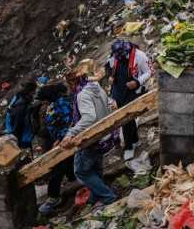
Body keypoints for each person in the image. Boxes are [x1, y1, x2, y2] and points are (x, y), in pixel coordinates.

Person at [61, 74, 116, 209]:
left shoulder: (82, 95)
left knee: (81, 171)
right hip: (104, 135)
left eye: (70, 86)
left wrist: (71, 133)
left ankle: (107, 196)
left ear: (73, 84)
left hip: (92, 139)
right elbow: (110, 103)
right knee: (96, 166)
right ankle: (95, 196)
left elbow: (89, 117)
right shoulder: (96, 87)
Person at [105, 39, 153, 161]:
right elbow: (108, 67)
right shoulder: (115, 56)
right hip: (119, 93)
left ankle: (128, 147)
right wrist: (109, 77)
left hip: (133, 92)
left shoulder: (139, 56)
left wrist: (137, 82)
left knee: (126, 119)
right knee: (127, 119)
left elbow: (149, 72)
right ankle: (135, 141)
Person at [35, 83, 76, 212]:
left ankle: (53, 197)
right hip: (59, 140)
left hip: (65, 141)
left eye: (43, 99)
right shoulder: (56, 102)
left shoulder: (63, 104)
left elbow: (69, 122)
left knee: (56, 170)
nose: (43, 102)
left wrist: (60, 139)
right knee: (69, 163)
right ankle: (76, 183)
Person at [6, 80, 37, 149]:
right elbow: (16, 127)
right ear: (30, 92)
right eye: (34, 91)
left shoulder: (20, 96)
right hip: (22, 139)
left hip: (23, 133)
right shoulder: (20, 107)